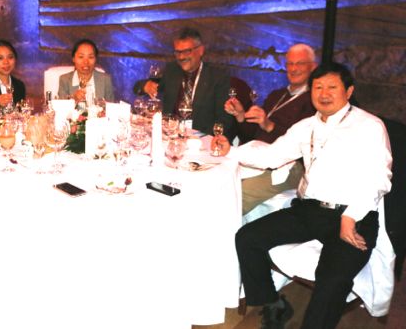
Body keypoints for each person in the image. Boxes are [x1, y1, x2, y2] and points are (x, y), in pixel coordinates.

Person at [212, 62, 392, 329]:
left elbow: (378, 178)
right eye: (318, 87)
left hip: (354, 215)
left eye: (332, 87)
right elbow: (272, 155)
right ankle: (272, 303)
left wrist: (350, 217)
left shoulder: (369, 126)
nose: (324, 93)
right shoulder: (306, 126)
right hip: (310, 210)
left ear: (349, 91)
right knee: (247, 238)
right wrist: (232, 151)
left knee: (332, 279)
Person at [225, 43, 317, 214]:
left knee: (236, 195)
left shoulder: (314, 101)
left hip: (290, 166)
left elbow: (302, 144)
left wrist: (269, 126)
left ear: (313, 67)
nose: (293, 69)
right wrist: (240, 115)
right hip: (259, 156)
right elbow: (253, 135)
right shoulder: (277, 95)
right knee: (220, 181)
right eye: (290, 63)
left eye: (300, 63)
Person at [133, 27, 234, 138]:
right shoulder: (172, 70)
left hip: (200, 139)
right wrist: (145, 86)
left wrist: (203, 137)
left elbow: (225, 120)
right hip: (171, 135)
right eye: (177, 52)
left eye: (186, 51)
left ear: (201, 50)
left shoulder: (217, 77)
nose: (181, 57)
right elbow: (137, 87)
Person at [57, 38, 115, 103]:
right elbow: (61, 105)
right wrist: (73, 99)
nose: (86, 62)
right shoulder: (64, 80)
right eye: (81, 57)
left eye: (90, 57)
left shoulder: (105, 80)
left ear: (96, 59)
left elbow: (111, 106)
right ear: (73, 59)